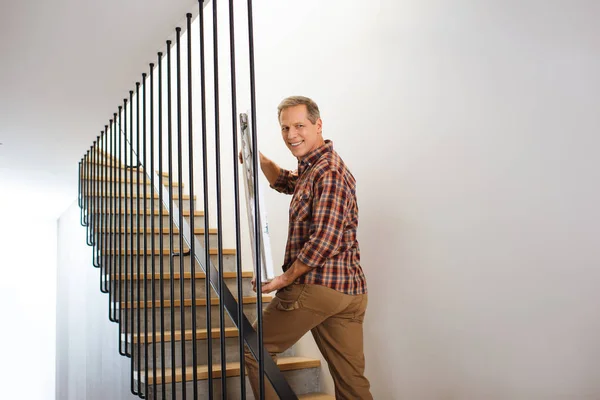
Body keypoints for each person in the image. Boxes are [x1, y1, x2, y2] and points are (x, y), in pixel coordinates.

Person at [243, 96, 372, 399]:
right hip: (348, 293)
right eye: (285, 128)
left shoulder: (328, 172)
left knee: (255, 350)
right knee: (352, 383)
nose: (291, 135)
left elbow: (323, 241)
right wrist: (258, 160)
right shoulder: (314, 168)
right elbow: (288, 182)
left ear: (318, 125)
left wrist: (283, 280)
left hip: (318, 285)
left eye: (299, 125)